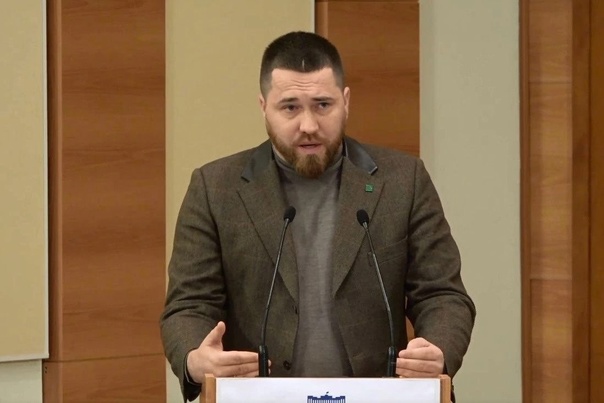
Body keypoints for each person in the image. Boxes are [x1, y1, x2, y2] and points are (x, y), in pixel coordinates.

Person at [160, 31, 475, 402]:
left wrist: (437, 349)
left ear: (346, 102)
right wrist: (196, 358)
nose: (308, 124)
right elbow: (189, 305)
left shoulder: (403, 181)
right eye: (290, 107)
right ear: (263, 106)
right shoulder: (215, 188)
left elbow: (442, 294)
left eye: (323, 105)